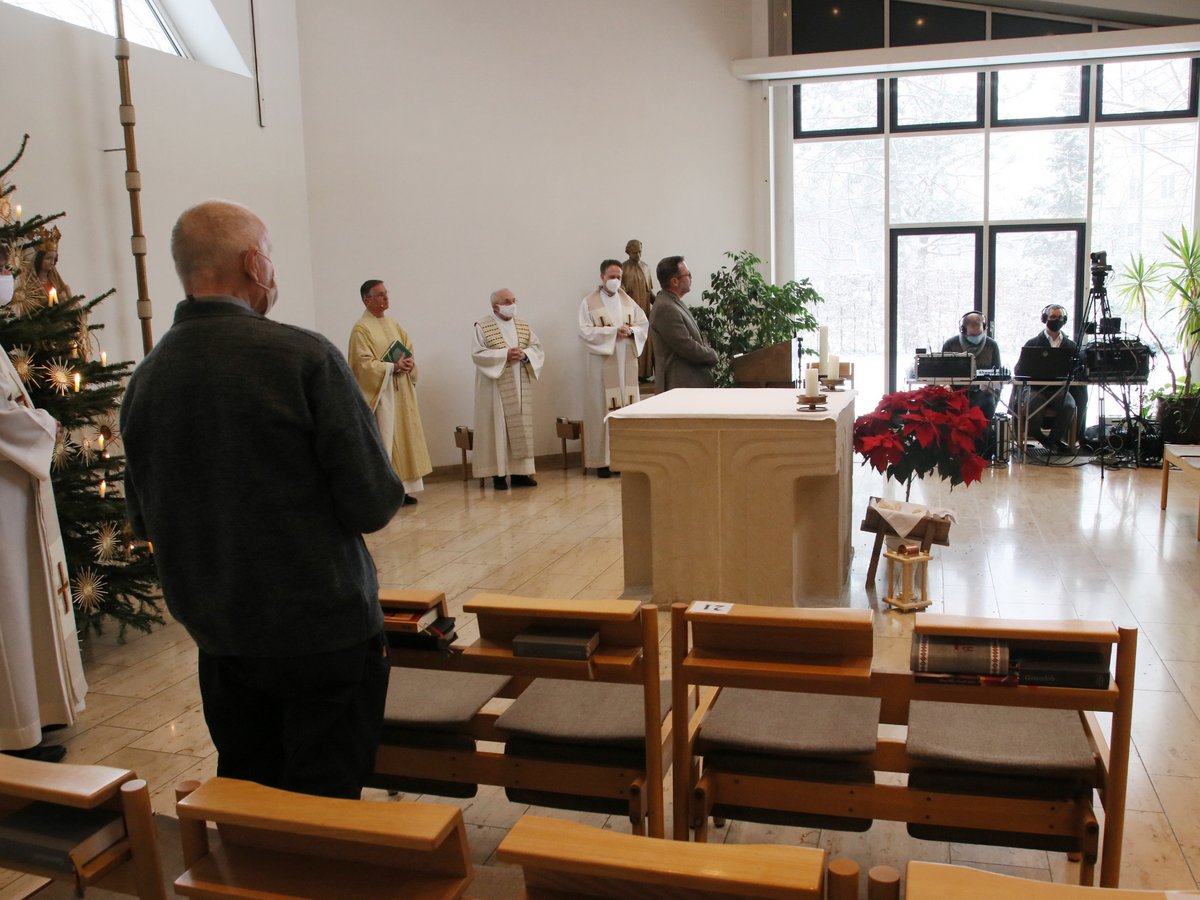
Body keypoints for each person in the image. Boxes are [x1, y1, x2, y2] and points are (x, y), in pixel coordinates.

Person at [121, 200, 405, 799]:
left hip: (222, 639)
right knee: (322, 804)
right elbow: (373, 502)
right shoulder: (302, 357)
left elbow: (145, 518)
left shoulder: (148, 377)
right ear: (254, 263)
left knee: (250, 792)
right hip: (322, 635)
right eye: (270, 254)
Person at [1, 254, 87, 765]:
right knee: (10, 600)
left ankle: (38, 711)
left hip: (15, 486)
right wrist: (42, 424)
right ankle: (16, 733)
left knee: (26, 595)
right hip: (5, 493)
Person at [347, 279, 432, 504]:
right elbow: (361, 364)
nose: (386, 298)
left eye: (386, 293)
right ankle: (386, 492)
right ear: (367, 299)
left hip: (401, 391)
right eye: (380, 294)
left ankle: (403, 490)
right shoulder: (361, 329)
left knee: (404, 439)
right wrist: (392, 367)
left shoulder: (394, 325)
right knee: (387, 439)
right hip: (383, 394)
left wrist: (409, 364)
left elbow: (409, 351)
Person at [579, 259, 648, 477]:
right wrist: (612, 333)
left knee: (627, 411)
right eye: (612, 277)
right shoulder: (589, 303)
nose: (615, 281)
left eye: (619, 277)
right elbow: (584, 331)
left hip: (625, 362)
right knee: (602, 409)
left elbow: (643, 323)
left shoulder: (628, 301)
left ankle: (625, 459)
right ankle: (602, 462)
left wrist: (632, 331)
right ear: (602, 277)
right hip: (603, 366)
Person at [472, 289, 544, 490]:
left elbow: (537, 348)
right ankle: (499, 475)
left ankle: (521, 473)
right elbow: (477, 354)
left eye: (514, 300)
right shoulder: (482, 326)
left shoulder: (522, 324)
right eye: (507, 301)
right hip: (495, 386)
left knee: (520, 424)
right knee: (498, 427)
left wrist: (524, 353)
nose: (512, 304)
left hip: (520, 382)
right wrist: (505, 355)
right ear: (495, 306)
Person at [1020, 304, 1089, 454]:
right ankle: (1040, 438)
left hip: (1060, 389)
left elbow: (1077, 370)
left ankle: (1054, 440)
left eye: (1059, 318)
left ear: (1064, 320)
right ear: (1045, 319)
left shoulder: (1071, 346)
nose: (1056, 320)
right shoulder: (1032, 344)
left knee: (1069, 405)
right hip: (1036, 388)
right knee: (1033, 405)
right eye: (1052, 317)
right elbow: (1019, 369)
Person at [649, 256, 718, 390]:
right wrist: (712, 355)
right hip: (680, 385)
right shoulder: (666, 307)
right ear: (675, 281)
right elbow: (686, 346)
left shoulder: (673, 302)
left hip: (688, 384)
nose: (691, 278)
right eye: (688, 274)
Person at [941, 310, 1001, 420]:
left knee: (986, 402)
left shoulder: (992, 345)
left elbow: (998, 376)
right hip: (956, 394)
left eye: (979, 334)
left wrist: (994, 395)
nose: (976, 338)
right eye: (973, 335)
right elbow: (942, 373)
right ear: (963, 330)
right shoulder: (951, 345)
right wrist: (946, 386)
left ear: (984, 328)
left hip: (984, 396)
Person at [621, 240, 655, 381]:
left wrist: (659, 303)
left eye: (640, 251)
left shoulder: (646, 268)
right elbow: (621, 294)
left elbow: (650, 292)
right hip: (630, 317)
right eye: (635, 252)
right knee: (633, 344)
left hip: (646, 314)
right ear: (628, 252)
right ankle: (633, 374)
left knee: (647, 343)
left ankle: (644, 375)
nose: (638, 255)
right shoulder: (623, 269)